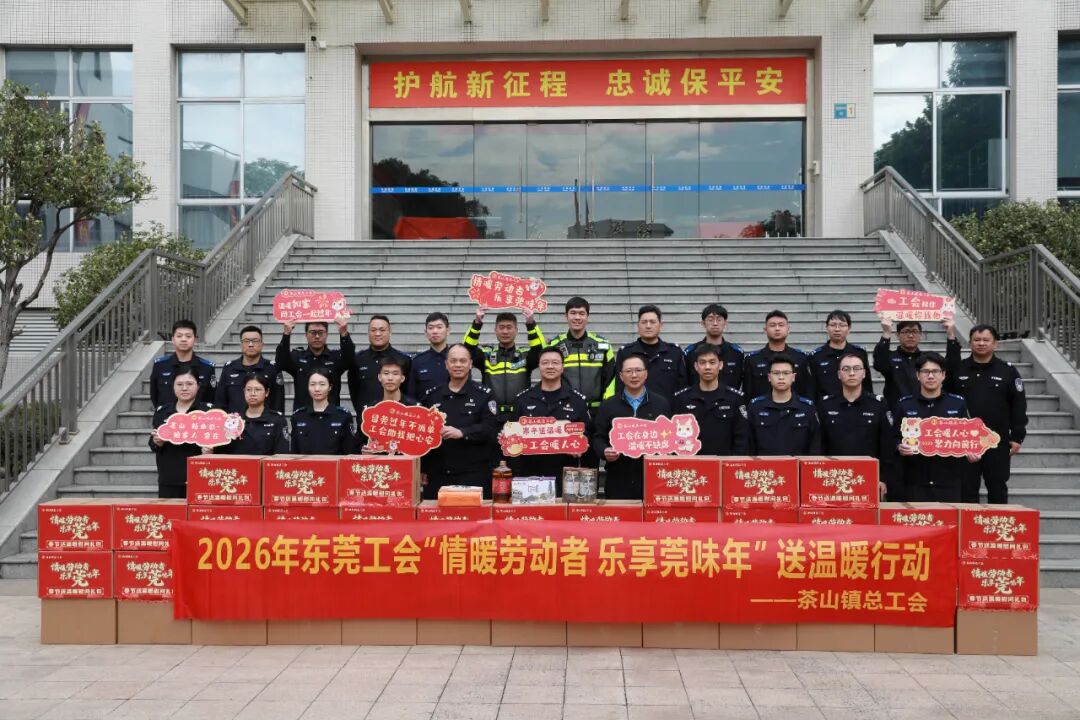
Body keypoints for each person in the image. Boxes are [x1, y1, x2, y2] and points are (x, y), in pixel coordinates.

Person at [946, 324, 1028, 503]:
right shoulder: (959, 369)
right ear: (970, 343)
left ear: (995, 343)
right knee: (966, 490)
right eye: (976, 340)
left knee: (997, 488)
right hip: (964, 441)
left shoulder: (1007, 371)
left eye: (986, 340)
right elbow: (946, 401)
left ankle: (997, 521)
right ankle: (969, 522)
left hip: (997, 440)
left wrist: (1017, 436)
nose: (981, 343)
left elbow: (1018, 404)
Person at [507, 347, 592, 491]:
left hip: (566, 475)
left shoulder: (577, 401)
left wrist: (581, 442)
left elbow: (587, 432)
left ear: (562, 367)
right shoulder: (523, 400)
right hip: (530, 475)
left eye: (555, 363)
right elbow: (512, 435)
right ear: (539, 367)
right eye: (545, 363)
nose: (550, 366)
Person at [421, 344, 499, 498]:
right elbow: (423, 435)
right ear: (446, 364)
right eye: (453, 361)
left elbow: (491, 428)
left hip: (473, 474)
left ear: (470, 364)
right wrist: (423, 468)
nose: (458, 365)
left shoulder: (484, 395)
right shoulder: (432, 396)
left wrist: (463, 432)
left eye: (463, 361)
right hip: (438, 474)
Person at [895, 352, 974, 502]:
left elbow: (969, 437)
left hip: (948, 479)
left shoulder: (957, 404)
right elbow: (894, 437)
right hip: (915, 479)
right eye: (925, 371)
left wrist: (972, 450)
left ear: (943, 375)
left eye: (935, 371)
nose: (930, 376)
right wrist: (899, 446)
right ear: (918, 375)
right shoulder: (905, 404)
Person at [591, 355, 671, 500]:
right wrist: (604, 451)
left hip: (653, 478)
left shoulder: (661, 404)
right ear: (621, 376)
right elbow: (598, 437)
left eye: (638, 370)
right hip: (618, 478)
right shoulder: (608, 405)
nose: (634, 375)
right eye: (628, 371)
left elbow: (671, 438)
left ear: (646, 374)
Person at [818, 352, 896, 499]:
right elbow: (820, 444)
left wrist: (883, 478)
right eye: (846, 369)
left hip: (869, 477)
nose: (852, 373)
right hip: (833, 477)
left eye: (856, 368)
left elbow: (886, 445)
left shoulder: (878, 404)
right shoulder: (826, 405)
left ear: (864, 373)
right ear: (839, 374)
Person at [463, 307, 545, 422]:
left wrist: (531, 324)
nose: (505, 331)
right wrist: (477, 323)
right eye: (501, 327)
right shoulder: (486, 355)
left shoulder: (525, 356)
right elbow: (467, 350)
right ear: (495, 330)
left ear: (516, 330)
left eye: (509, 327)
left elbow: (540, 350)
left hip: (520, 416)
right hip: (491, 415)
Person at [672, 345, 749, 455]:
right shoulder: (682, 398)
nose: (707, 367)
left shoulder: (734, 398)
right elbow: (675, 437)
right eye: (702, 363)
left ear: (720, 365)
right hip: (692, 462)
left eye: (712, 362)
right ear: (696, 366)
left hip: (724, 463)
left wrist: (733, 462)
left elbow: (741, 438)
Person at [149, 366, 212, 499]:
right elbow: (153, 444)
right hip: (169, 479)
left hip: (201, 477)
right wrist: (157, 442)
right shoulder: (163, 412)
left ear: (198, 386)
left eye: (189, 384)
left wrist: (211, 451)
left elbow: (220, 443)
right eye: (179, 384)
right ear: (173, 386)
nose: (184, 388)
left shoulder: (208, 412)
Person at [874, 316, 960, 411]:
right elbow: (879, 364)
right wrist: (886, 333)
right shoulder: (890, 357)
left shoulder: (928, 358)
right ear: (897, 335)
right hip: (898, 410)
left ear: (921, 335)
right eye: (906, 332)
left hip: (926, 410)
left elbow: (952, 367)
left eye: (915, 331)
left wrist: (951, 335)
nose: (911, 335)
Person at [546, 296, 616, 411]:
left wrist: (607, 404)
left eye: (581, 313)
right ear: (566, 316)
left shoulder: (603, 345)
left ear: (588, 316)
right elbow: (548, 376)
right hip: (564, 409)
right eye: (573, 313)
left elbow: (612, 377)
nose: (577, 317)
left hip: (597, 410)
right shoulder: (554, 345)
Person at [275, 314, 355, 411]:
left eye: (320, 332)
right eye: (313, 332)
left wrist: (344, 333)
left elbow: (350, 360)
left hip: (331, 414)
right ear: (306, 335)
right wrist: (286, 334)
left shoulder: (335, 357)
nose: (317, 336)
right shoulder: (297, 357)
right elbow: (281, 362)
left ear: (327, 334)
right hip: (303, 414)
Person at [746, 355, 821, 455]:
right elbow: (748, 445)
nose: (781, 377)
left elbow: (815, 445)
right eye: (776, 373)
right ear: (769, 377)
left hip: (797, 464)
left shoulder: (807, 408)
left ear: (793, 377)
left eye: (786, 373)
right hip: (764, 464)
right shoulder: (755, 407)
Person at [614, 305, 687, 402]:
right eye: (644, 322)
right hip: (635, 409)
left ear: (661, 326)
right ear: (638, 326)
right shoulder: (626, 353)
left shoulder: (674, 352)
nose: (648, 326)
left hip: (667, 409)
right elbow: (619, 386)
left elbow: (683, 386)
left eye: (652, 322)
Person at [743, 310, 814, 400]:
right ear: (765, 330)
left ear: (788, 329)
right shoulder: (752, 359)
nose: (777, 328)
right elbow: (747, 392)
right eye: (772, 325)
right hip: (762, 408)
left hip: (795, 407)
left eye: (781, 325)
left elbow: (808, 390)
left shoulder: (801, 358)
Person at [347, 314, 412, 413]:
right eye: (373, 330)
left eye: (382, 330)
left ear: (390, 332)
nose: (377, 334)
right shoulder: (358, 359)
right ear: (368, 333)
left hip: (395, 417)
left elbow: (409, 391)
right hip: (367, 417)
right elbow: (354, 391)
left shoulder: (403, 359)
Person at [214, 373, 290, 455]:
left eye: (257, 389)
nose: (252, 393)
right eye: (248, 389)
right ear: (244, 391)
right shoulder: (232, 420)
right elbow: (222, 452)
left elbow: (281, 453)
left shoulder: (277, 420)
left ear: (267, 392)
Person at [215, 325, 285, 414]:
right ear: (241, 345)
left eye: (255, 341)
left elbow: (278, 402)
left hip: (264, 421)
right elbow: (220, 401)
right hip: (235, 421)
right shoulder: (229, 368)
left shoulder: (272, 368)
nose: (251, 345)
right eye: (246, 341)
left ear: (262, 345)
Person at [356, 358, 420, 452]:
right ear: (379, 377)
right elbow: (359, 443)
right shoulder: (369, 410)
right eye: (386, 373)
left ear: (402, 378)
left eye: (395, 374)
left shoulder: (415, 408)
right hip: (377, 460)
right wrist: (364, 449)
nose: (390, 378)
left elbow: (420, 443)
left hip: (405, 460)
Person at [149, 319, 216, 408]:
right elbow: (154, 395)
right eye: (179, 336)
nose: (183, 339)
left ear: (195, 339)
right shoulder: (160, 366)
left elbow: (211, 398)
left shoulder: (207, 368)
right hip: (167, 416)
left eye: (188, 336)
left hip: (197, 416)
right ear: (173, 339)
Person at [808, 310, 872, 401]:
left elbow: (867, 383)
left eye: (842, 325)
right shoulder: (816, 356)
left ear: (849, 328)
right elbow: (812, 387)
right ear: (826, 328)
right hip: (826, 406)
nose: (837, 329)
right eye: (833, 325)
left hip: (856, 404)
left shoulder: (859, 353)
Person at [290, 369, 356, 455]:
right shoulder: (298, 416)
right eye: (312, 384)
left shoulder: (343, 416)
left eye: (322, 384)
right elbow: (294, 452)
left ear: (330, 387)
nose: (317, 389)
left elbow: (349, 451)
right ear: (308, 387)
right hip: (305, 464)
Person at [682, 303, 744, 392]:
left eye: (719, 320)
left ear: (725, 323)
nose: (715, 323)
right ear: (703, 323)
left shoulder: (736, 353)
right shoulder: (691, 352)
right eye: (710, 320)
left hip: (729, 399)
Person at [407, 312, 451, 401]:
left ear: (448, 331)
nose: (435, 331)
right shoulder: (417, 361)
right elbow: (411, 395)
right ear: (426, 333)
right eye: (431, 328)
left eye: (439, 327)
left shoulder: (457, 360)